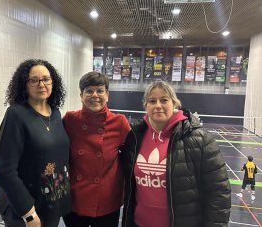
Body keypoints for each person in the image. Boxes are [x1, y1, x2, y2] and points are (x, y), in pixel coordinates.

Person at [120, 81, 231, 227]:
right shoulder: (134, 137)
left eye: (164, 100)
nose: (158, 105)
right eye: (152, 101)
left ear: (174, 104)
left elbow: (219, 193)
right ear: (145, 106)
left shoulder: (200, 139)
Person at [0, 59, 71, 227]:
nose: (41, 84)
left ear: (53, 82)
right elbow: (4, 171)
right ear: (25, 85)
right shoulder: (15, 115)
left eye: (46, 79)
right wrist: (28, 214)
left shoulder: (55, 113)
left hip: (50, 206)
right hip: (25, 211)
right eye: (34, 80)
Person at [62, 71, 131, 227]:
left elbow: (131, 158)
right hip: (75, 200)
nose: (95, 95)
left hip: (107, 201)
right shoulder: (69, 119)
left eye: (100, 90)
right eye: (89, 91)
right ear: (81, 95)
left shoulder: (119, 123)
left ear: (107, 94)